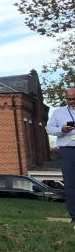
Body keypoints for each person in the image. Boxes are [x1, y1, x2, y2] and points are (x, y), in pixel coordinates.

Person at [46, 87, 75, 224]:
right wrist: (61, 130)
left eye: (74, 98)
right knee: (70, 183)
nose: (71, 101)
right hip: (67, 150)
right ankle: (74, 215)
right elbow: (49, 129)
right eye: (69, 99)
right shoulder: (58, 113)